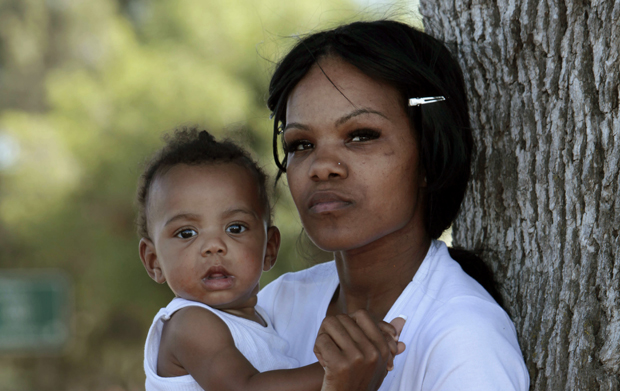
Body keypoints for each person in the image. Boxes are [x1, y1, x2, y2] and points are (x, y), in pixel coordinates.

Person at [258, 20, 530, 390]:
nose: (321, 167)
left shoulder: (465, 340)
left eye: (361, 135)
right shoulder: (277, 306)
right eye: (301, 144)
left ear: (428, 155)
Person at [136, 127, 405, 391]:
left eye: (235, 228)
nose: (213, 246)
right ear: (153, 261)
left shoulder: (260, 321)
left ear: (269, 249)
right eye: (186, 233)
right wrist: (339, 367)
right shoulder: (189, 323)